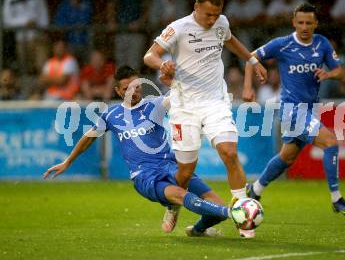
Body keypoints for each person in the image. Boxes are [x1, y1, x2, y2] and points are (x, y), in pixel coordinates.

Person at [44, 66, 231, 237]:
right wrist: (67, 161)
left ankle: (198, 229)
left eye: (136, 86)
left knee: (217, 206)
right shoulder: (111, 114)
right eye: (126, 89)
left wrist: (178, 80)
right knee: (182, 196)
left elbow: (183, 95)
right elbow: (88, 138)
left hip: (172, 166)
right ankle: (231, 213)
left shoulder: (155, 105)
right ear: (117, 91)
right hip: (145, 175)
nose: (132, 92)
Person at [143, 0, 266, 238]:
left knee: (229, 153)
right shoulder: (178, 28)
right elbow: (149, 55)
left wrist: (252, 60)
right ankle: (173, 205)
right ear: (196, 7)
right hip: (184, 107)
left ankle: (242, 214)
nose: (212, 20)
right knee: (186, 171)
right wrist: (163, 63)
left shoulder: (221, 22)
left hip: (215, 102)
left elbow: (230, 40)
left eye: (216, 14)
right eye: (207, 14)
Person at [243, 3, 345, 215]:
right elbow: (251, 59)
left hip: (311, 109)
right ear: (293, 23)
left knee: (287, 157)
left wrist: (328, 74)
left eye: (308, 23)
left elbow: (342, 72)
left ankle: (255, 189)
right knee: (330, 142)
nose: (304, 27)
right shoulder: (283, 44)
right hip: (292, 110)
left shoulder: (322, 44)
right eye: (300, 23)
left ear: (316, 24)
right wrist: (248, 87)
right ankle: (337, 199)